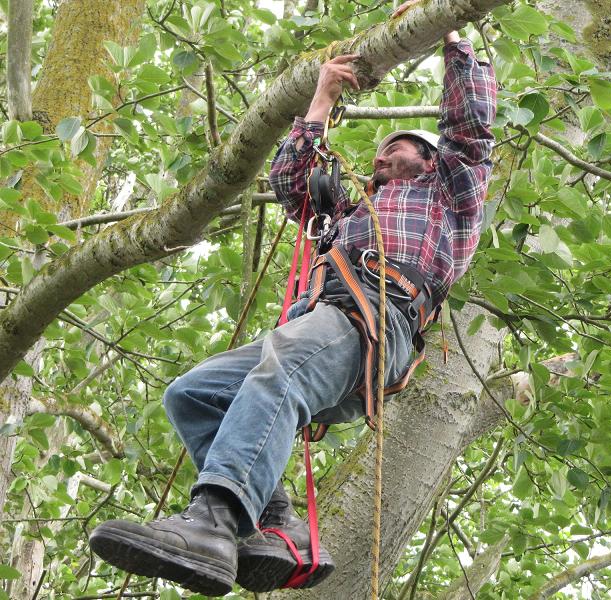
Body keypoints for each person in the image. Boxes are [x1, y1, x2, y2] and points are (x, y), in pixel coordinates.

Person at [88, 19, 496, 598]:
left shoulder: (449, 197)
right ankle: (275, 526)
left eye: (396, 147)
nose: (382, 155)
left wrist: (451, 35)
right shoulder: (348, 218)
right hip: (322, 326)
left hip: (375, 322)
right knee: (194, 394)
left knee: (282, 361)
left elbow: (470, 128)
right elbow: (291, 181)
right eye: (379, 150)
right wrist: (323, 96)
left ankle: (213, 522)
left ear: (429, 160)